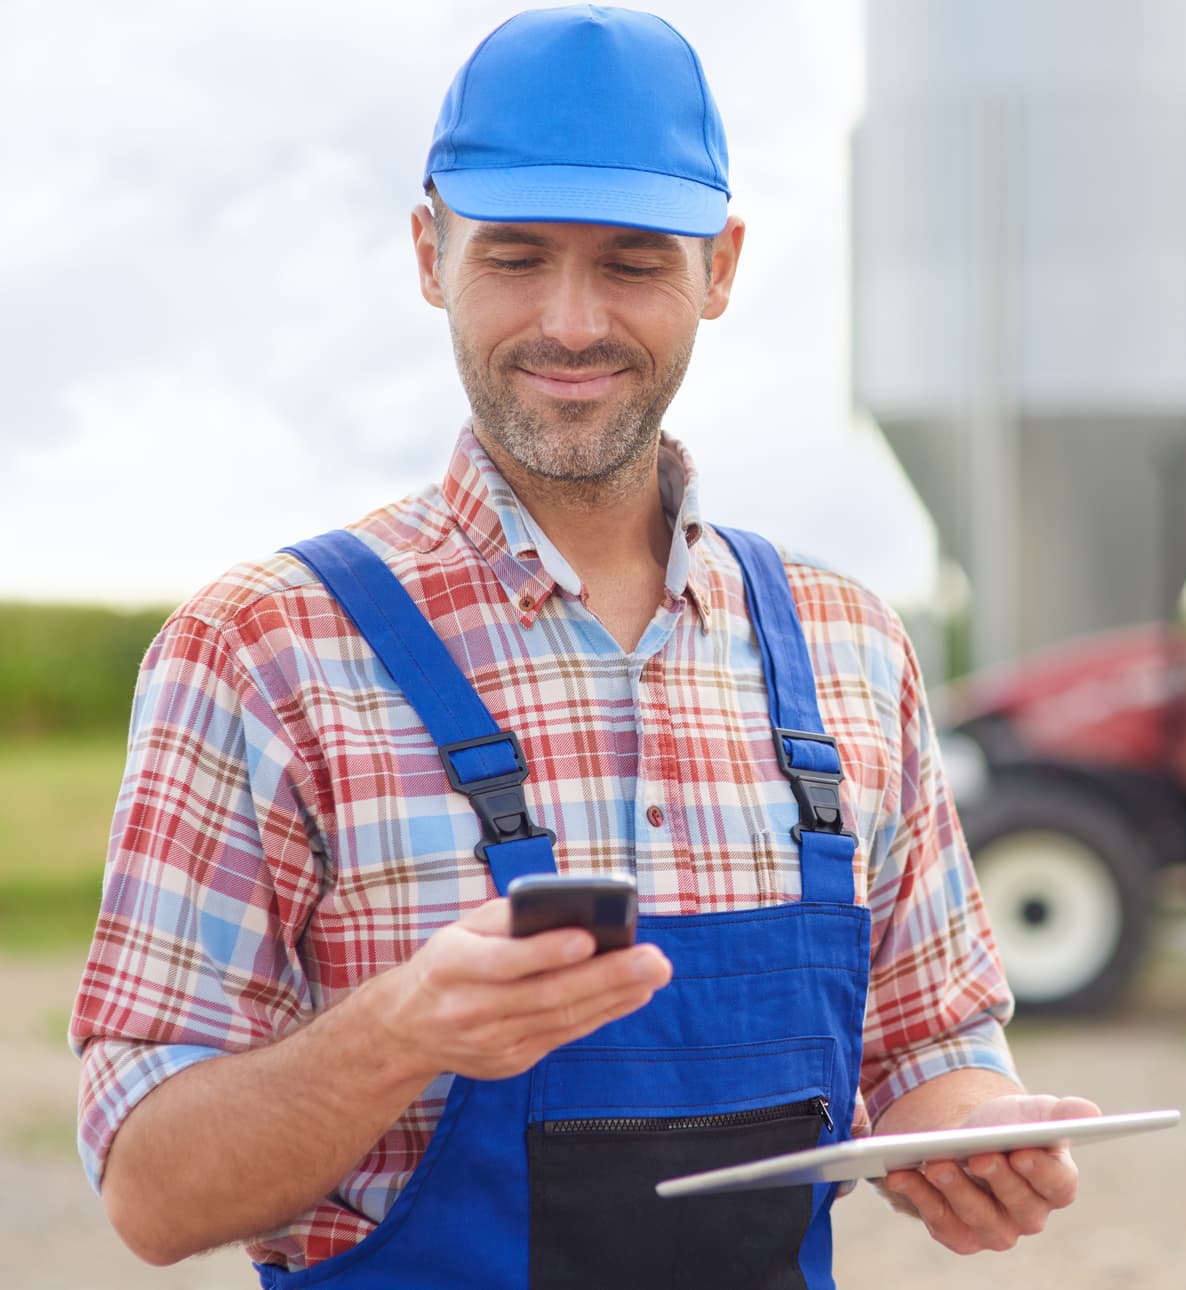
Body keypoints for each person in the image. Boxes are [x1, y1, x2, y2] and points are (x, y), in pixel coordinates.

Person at [68, 7, 1097, 1286]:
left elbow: (932, 1051)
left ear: (720, 270)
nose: (569, 322)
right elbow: (153, 1193)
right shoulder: (263, 653)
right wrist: (399, 1031)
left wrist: (979, 1137)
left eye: (631, 263)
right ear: (429, 253)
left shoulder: (850, 648)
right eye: (515, 257)